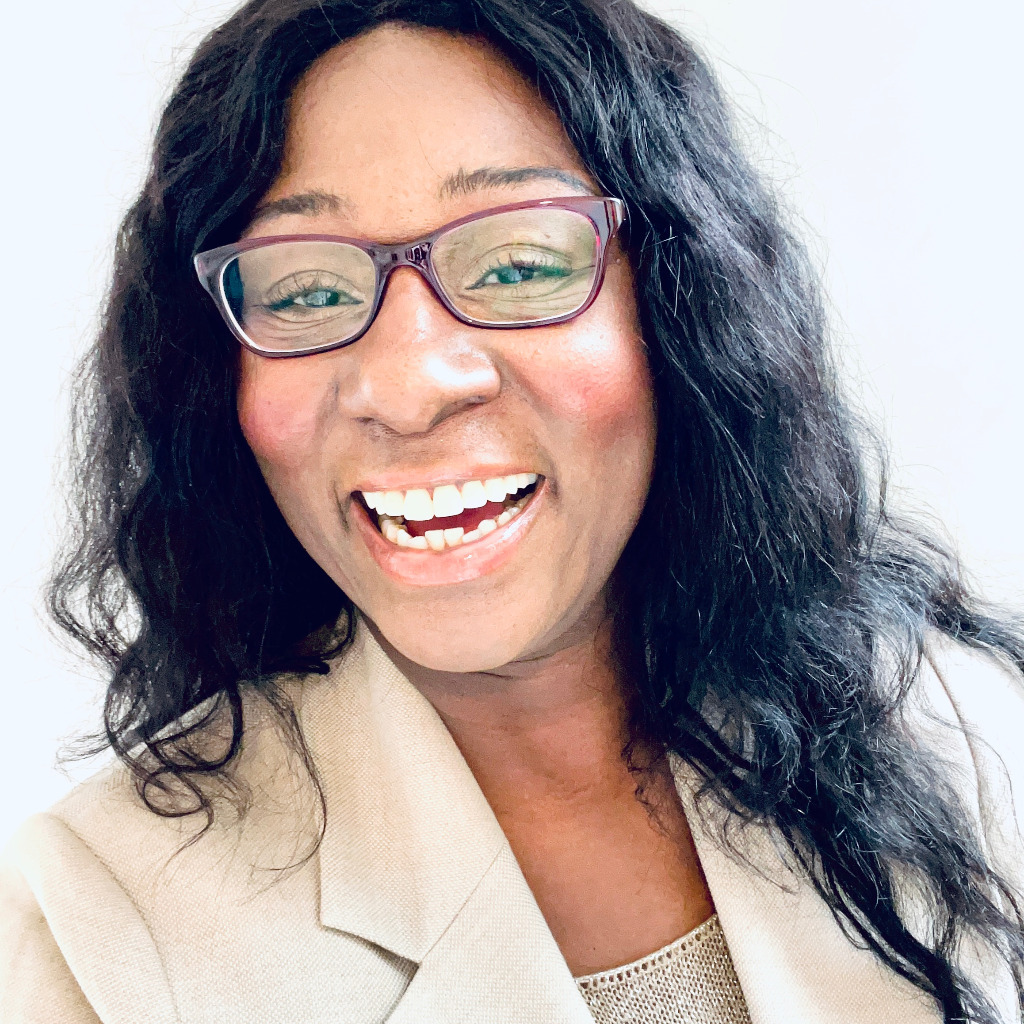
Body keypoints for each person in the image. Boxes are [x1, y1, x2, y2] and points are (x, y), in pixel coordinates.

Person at [1, 0, 1021, 1021]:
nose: (408, 388)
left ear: (679, 306)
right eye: (305, 291)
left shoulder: (971, 735)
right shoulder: (101, 926)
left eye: (519, 266)